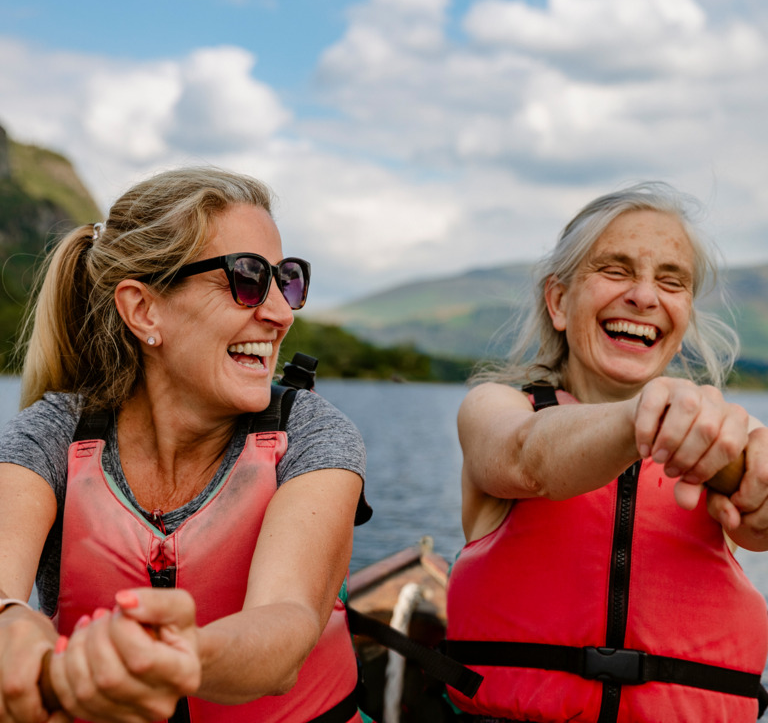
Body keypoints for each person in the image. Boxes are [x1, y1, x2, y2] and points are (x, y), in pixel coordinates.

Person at [0, 167, 368, 723]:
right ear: (143, 310)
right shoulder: (51, 433)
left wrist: (177, 655)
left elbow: (287, 623)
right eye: (246, 278)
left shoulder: (314, 436)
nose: (280, 313)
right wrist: (16, 634)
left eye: (285, 279)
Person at [443, 182, 768, 722]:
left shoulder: (729, 434)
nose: (644, 297)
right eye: (615, 270)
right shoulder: (496, 407)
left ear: (683, 318)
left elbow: (759, 525)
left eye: (671, 281)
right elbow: (523, 458)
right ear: (558, 302)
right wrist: (646, 413)